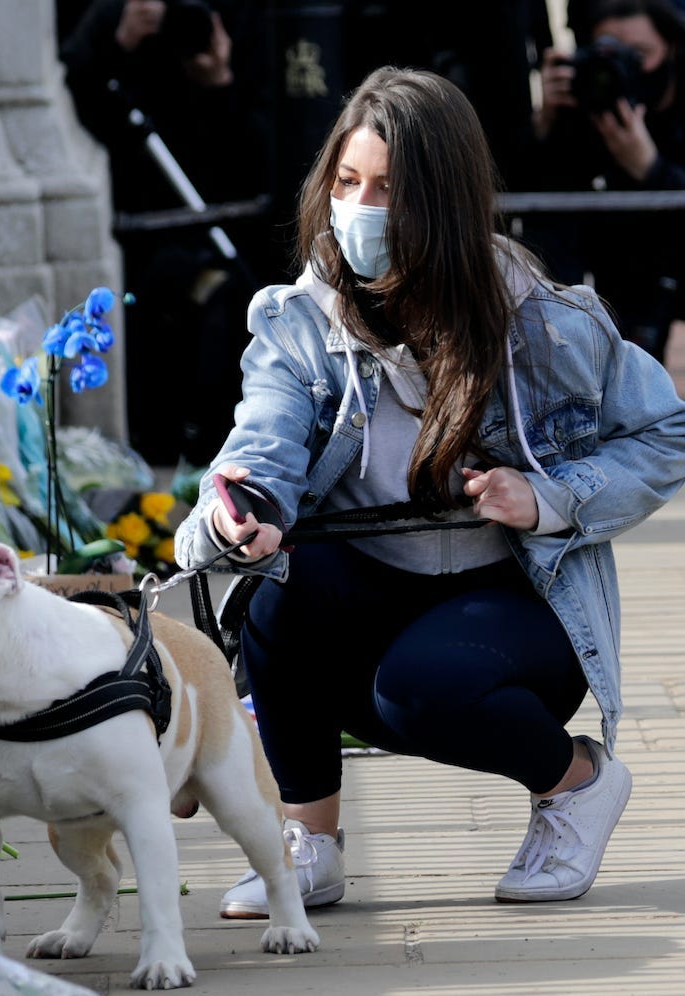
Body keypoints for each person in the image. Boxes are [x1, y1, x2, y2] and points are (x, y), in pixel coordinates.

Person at [174, 66, 685, 918]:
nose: (360, 209)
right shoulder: (301, 321)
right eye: (347, 182)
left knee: (420, 688)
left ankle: (577, 781)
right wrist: (239, 511)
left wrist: (551, 496)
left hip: (515, 600)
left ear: (444, 203)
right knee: (275, 600)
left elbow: (665, 430)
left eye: (387, 190)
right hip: (368, 584)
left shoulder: (543, 321)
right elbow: (258, 443)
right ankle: (311, 844)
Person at [59, 0, 279, 466]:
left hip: (232, 233)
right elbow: (85, 100)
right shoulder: (124, 12)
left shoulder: (244, 20)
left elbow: (265, 151)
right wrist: (122, 44)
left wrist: (220, 84)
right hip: (144, 233)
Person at [523, 0, 685, 363]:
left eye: (638, 54)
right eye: (608, 52)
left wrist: (652, 170)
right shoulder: (576, 109)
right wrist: (543, 126)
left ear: (671, 48)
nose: (620, 68)